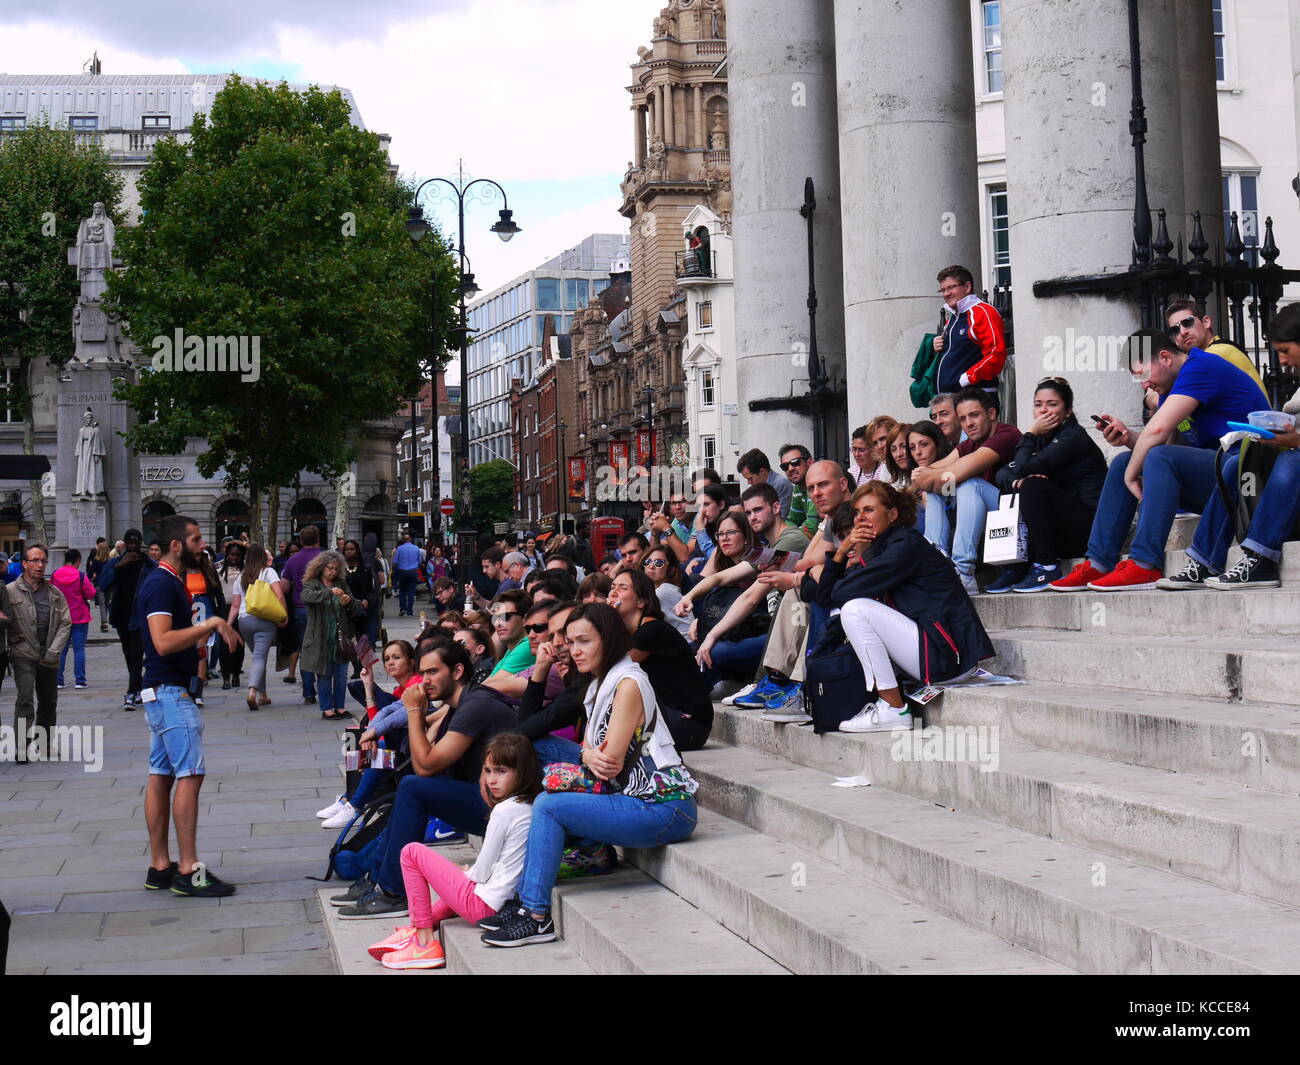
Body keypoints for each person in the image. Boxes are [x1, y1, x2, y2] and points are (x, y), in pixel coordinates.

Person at [481, 603, 698, 948]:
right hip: (627, 792)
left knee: (549, 806)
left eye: (584, 641)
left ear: (609, 640)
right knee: (529, 744)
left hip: (664, 808)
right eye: (571, 641)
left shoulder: (628, 683)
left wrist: (573, 766)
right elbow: (588, 754)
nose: (574, 650)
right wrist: (583, 755)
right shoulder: (600, 683)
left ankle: (536, 916)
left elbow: (607, 765)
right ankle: (531, 889)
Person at [1051, 330, 1269, 591]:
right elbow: (1171, 449)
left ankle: (1144, 564)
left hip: (1247, 478)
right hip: (1217, 477)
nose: (1144, 386)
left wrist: (1132, 475)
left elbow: (1158, 436)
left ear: (1165, 357)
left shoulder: (1200, 367)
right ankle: (1098, 561)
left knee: (1137, 464)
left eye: (1143, 375)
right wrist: (1129, 438)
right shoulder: (1172, 388)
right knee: (1124, 461)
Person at [335, 640, 518, 919]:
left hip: (504, 808)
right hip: (487, 799)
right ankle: (377, 877)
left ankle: (394, 892)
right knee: (409, 789)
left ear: (457, 671)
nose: (425, 681)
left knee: (413, 786)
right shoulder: (461, 703)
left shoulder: (476, 704)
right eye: (423, 673)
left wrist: (415, 711)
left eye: (433, 672)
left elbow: (426, 767)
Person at [823, 481, 994, 732]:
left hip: (947, 655)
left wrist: (844, 564)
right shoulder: (882, 548)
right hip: (932, 650)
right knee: (850, 607)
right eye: (858, 512)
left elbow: (838, 594)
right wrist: (841, 553)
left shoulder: (904, 546)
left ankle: (893, 708)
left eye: (869, 510)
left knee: (854, 609)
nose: (860, 519)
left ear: (892, 514)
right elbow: (824, 593)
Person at [366, 733, 542, 969]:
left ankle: (423, 942)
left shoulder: (504, 812)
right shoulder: (529, 806)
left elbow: (481, 874)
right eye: (488, 771)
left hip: (484, 905)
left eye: (501, 771)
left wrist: (460, 872)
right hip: (502, 902)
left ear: (522, 773)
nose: (492, 780)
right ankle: (411, 931)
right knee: (454, 880)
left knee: (411, 852)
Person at [1159, 301, 1300, 591]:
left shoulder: (1212, 358)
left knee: (1290, 460)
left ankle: (1260, 558)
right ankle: (1204, 560)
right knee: (1237, 462)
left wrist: (1292, 440)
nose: (1282, 361)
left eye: (1285, 351)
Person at [138, 514, 242, 898]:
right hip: (169, 692)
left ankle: (160, 866)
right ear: (176, 544)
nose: (203, 546)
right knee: (190, 773)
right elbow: (162, 641)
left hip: (161, 691)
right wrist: (212, 623)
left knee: (160, 774)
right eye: (196, 539)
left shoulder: (168, 582)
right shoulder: (163, 584)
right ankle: (188, 870)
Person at [732, 460, 855, 720]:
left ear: (843, 484)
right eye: (811, 488)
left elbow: (846, 572)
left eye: (823, 485)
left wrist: (802, 576)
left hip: (860, 596)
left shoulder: (856, 513)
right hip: (839, 589)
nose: (816, 493)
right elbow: (806, 562)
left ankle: (803, 686)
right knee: (798, 591)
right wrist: (802, 572)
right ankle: (778, 680)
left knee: (807, 592)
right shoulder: (833, 518)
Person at [984, 377, 1107, 593]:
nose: (1044, 411)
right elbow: (1004, 472)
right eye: (1038, 404)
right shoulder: (1042, 439)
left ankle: (1047, 566)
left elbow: (1023, 467)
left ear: (1067, 410)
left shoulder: (1072, 437)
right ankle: (1016, 566)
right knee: (1017, 486)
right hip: (1059, 528)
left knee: (1032, 486)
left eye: (1052, 404)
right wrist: (1015, 481)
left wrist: (1030, 434)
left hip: (1087, 531)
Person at [912, 387, 1022, 594]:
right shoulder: (969, 444)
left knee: (968, 485)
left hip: (1015, 517)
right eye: (963, 419)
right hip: (989, 515)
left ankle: (963, 571)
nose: (968, 423)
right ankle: (938, 565)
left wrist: (930, 476)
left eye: (974, 415)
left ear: (991, 414)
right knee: (939, 490)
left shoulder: (1006, 434)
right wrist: (929, 479)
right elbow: (934, 472)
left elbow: (957, 472)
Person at [320, 639, 422, 829]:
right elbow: (377, 717)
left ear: (412, 661)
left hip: (409, 746)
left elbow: (391, 723)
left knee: (375, 748)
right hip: (397, 742)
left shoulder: (416, 685)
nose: (390, 662)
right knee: (354, 741)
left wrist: (373, 735)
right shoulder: (398, 690)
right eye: (387, 658)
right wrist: (368, 685)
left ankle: (355, 804)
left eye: (396, 657)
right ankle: (349, 797)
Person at [609, 569, 712, 751]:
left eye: (623, 588)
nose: (613, 593)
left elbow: (612, 672)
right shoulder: (632, 633)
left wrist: (605, 620)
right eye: (612, 587)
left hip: (689, 724)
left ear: (642, 601)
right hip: (667, 716)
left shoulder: (652, 630)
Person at [5, 544, 72, 760]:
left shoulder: (54, 592)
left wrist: (55, 650)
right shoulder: (10, 591)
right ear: (24, 564)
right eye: (35, 560)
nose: (40, 565)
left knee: (48, 700)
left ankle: (44, 744)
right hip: (22, 652)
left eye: (43, 561)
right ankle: (22, 746)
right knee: (25, 698)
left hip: (48, 654)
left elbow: (65, 622)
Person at [97, 528, 156, 711]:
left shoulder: (148, 564)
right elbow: (102, 584)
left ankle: (132, 692)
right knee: (128, 653)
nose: (132, 547)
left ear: (140, 544)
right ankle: (138, 688)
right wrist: (119, 567)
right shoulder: (116, 562)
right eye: (129, 543)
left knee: (137, 653)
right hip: (122, 614)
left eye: (135, 543)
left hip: (141, 616)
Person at [1164, 298, 1268, 397]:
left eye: (1188, 322)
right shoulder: (1211, 353)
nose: (1183, 332)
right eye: (1175, 330)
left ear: (1206, 322)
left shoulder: (1220, 352)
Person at [228, 544, 288, 713]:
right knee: (260, 658)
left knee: (256, 657)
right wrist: (283, 615)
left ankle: (263, 695)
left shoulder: (241, 576)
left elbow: (235, 605)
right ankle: (252, 692)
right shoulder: (269, 572)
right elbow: (279, 595)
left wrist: (227, 625)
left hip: (245, 621)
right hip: (265, 621)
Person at [931, 264, 1007, 394]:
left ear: (967, 287)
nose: (946, 294)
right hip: (955, 398)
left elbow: (996, 354)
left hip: (975, 396)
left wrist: (965, 379)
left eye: (951, 287)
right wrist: (937, 346)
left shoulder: (983, 312)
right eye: (943, 290)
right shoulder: (954, 316)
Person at [300, 550, 357, 720]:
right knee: (324, 674)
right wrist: (329, 592)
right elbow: (306, 596)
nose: (332, 572)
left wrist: (348, 601)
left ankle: (340, 707)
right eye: (329, 568)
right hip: (320, 637)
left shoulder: (341, 582)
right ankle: (327, 708)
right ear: (321, 567)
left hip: (339, 636)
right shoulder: (313, 583)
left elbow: (352, 603)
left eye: (335, 569)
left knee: (341, 674)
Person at [279, 524, 322, 701]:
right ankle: (324, 687)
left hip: (301, 609)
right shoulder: (326, 557)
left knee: (305, 649)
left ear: (301, 540)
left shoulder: (293, 560)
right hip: (322, 607)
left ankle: (308, 692)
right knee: (323, 649)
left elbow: (284, 586)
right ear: (318, 538)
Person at [51, 549, 96, 690]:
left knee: (61, 650)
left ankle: (59, 680)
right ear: (77, 560)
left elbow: (51, 593)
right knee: (79, 650)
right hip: (79, 616)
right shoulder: (81, 576)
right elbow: (91, 593)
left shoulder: (55, 575)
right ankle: (80, 680)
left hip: (61, 617)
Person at [341, 539, 377, 675]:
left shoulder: (365, 569)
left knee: (361, 638)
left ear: (357, 551)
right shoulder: (340, 570)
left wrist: (367, 599)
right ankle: (355, 666)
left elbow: (370, 589)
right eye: (347, 549)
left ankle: (364, 665)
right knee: (347, 639)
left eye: (352, 549)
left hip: (360, 607)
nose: (349, 552)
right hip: (345, 608)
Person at [215, 541, 246, 688]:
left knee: (239, 644)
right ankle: (226, 677)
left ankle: (236, 675)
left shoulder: (246, 571)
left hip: (241, 610)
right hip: (223, 609)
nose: (234, 558)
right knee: (223, 645)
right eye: (231, 554)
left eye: (237, 555)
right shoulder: (218, 569)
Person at [641, 546, 690, 636]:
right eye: (647, 561)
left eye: (658, 563)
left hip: (688, 644)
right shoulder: (658, 590)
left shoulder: (664, 591)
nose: (651, 566)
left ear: (671, 570)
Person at [487, 589, 535, 677]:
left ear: (525, 619)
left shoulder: (528, 645)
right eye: (495, 618)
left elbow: (488, 687)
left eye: (505, 616)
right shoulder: (512, 648)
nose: (498, 623)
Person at [778, 444, 821, 538]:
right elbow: (793, 520)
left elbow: (812, 527)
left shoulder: (818, 484)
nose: (790, 469)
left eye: (795, 462)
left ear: (809, 462)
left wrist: (787, 536)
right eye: (785, 466)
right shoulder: (798, 488)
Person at [737, 448, 793, 519]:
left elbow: (779, 517)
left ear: (762, 471)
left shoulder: (781, 485)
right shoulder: (759, 488)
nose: (749, 483)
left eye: (750, 478)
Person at [849, 417, 898, 487]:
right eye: (875, 443)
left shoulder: (883, 468)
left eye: (883, 439)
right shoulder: (886, 468)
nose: (879, 446)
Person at [390, 531, 422, 617]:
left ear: (403, 540)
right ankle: (410, 610)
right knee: (411, 591)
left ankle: (402, 608)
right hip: (413, 572)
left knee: (402, 591)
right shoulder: (416, 548)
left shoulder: (399, 549)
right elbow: (420, 562)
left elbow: (395, 562)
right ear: (410, 539)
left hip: (402, 572)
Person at [87, 539, 110, 632]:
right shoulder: (110, 561)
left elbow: (90, 573)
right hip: (108, 584)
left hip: (99, 584)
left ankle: (104, 623)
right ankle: (105, 621)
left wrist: (88, 581)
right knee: (106, 603)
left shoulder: (96, 561)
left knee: (102, 604)